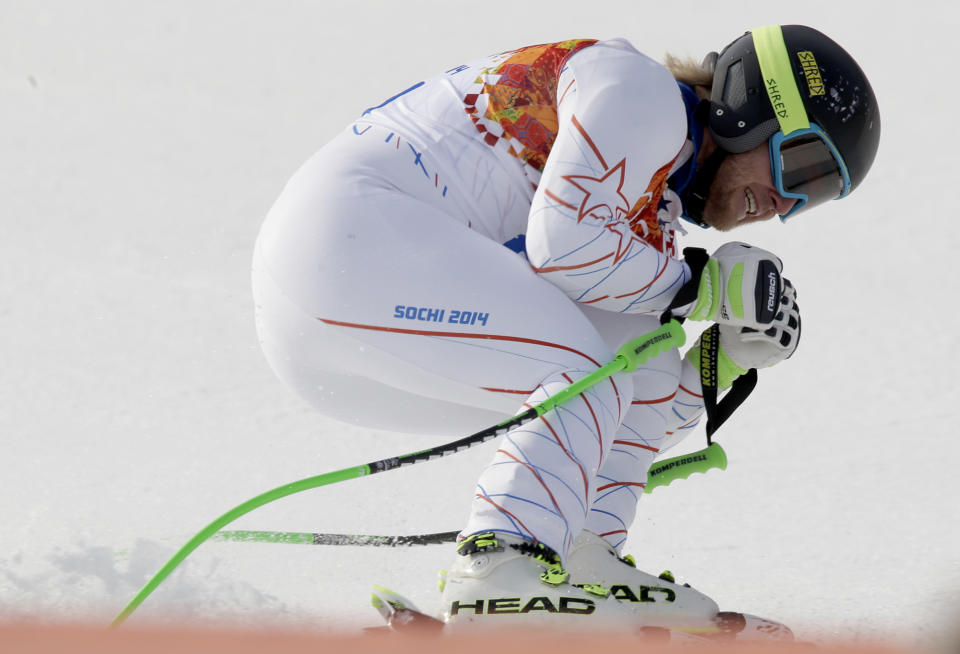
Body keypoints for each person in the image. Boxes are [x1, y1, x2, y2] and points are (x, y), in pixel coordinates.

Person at [252, 24, 879, 630]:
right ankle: (500, 566)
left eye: (816, 195)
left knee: (621, 373)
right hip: (343, 241)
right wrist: (702, 287)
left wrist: (728, 355)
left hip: (346, 331)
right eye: (801, 169)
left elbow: (637, 395)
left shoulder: (646, 208)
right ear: (751, 109)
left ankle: (579, 558)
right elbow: (566, 245)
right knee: (582, 372)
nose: (787, 205)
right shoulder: (643, 94)